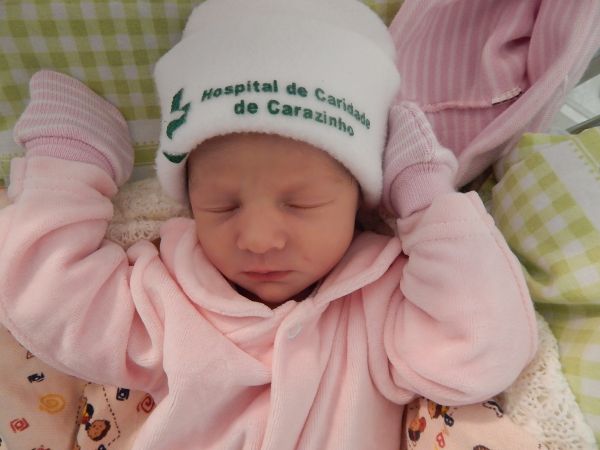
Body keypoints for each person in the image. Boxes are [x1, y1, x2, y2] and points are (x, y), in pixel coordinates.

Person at [0, 0, 537, 449]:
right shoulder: (171, 298)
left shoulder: (383, 298)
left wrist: (426, 200)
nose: (258, 240)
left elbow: (479, 352)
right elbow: (47, 296)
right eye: (222, 206)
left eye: (301, 204)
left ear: (358, 199)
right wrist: (69, 166)